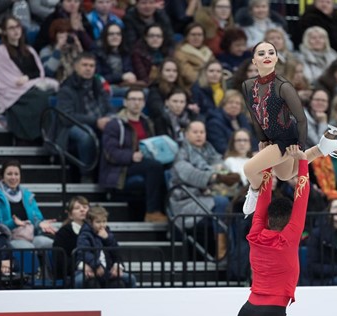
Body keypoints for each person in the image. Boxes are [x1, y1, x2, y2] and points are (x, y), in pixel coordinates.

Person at [240, 41, 337, 215]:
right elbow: (254, 115)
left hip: (287, 136)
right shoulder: (248, 86)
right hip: (272, 137)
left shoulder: (283, 86)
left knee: (249, 169)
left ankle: (254, 192)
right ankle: (323, 146)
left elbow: (301, 119)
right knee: (285, 175)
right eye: (261, 53)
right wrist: (263, 140)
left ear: (276, 58)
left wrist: (300, 147)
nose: (266, 56)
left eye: (271, 52)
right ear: (254, 61)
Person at [236, 145, 308, 316]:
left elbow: (263, 199)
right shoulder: (288, 238)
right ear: (290, 221)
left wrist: (267, 163)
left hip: (246, 314)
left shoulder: (255, 235)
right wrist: (302, 160)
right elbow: (302, 199)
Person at [168, 121, 239, 259]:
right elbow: (190, 174)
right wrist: (214, 178)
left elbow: (222, 168)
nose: (199, 135)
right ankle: (222, 248)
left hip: (207, 197)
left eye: (202, 132)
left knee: (236, 202)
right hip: (186, 200)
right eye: (195, 132)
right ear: (186, 134)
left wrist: (225, 176)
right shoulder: (181, 154)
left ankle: (235, 250)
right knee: (221, 202)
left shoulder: (210, 151)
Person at [99, 88, 168, 222]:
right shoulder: (115, 124)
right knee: (154, 167)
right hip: (120, 168)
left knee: (165, 167)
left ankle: (165, 211)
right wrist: (131, 156)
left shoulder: (147, 122)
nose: (136, 103)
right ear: (125, 102)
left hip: (143, 162)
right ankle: (152, 212)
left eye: (140, 100)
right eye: (133, 99)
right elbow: (110, 153)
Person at [0, 16, 58, 144]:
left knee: (52, 93)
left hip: (31, 84)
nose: (15, 31)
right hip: (14, 91)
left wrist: (28, 79)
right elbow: (4, 77)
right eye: (11, 28)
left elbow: (38, 72)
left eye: (17, 27)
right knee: (42, 98)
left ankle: (50, 135)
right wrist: (23, 81)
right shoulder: (1, 51)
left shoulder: (29, 50)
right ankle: (38, 135)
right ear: (5, 32)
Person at [56, 52, 114, 182]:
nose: (88, 68)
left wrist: (109, 117)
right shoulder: (67, 88)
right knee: (86, 134)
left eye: (92, 66)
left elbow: (109, 107)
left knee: (116, 129)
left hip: (100, 123)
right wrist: (96, 121)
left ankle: (110, 177)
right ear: (76, 67)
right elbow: (66, 117)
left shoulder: (98, 85)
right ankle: (86, 175)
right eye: (85, 65)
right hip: (70, 127)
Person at [0, 160, 57, 249]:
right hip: (7, 239)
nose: (13, 177)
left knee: (50, 243)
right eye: (9, 174)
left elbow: (37, 217)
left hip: (29, 236)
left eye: (16, 174)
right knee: (27, 247)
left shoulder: (27, 195)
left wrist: (39, 224)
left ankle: (47, 264)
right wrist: (14, 223)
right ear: (2, 177)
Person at [293, 0, 337, 76]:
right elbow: (330, 42)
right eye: (321, 2)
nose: (324, 5)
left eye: (328, 2)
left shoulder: (335, 18)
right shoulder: (310, 18)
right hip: (316, 57)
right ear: (315, 3)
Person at [75, 205, 137, 288]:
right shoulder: (85, 234)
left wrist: (117, 265)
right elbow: (84, 252)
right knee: (79, 280)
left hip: (108, 271)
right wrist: (96, 265)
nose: (102, 225)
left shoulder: (108, 233)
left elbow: (116, 251)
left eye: (104, 221)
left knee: (131, 279)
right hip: (90, 269)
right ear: (90, 222)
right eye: (98, 222)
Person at [95, 23, 140, 95]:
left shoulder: (125, 52)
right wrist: (121, 77)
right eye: (111, 34)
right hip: (106, 87)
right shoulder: (97, 53)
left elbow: (129, 71)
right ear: (105, 36)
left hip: (124, 85)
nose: (115, 37)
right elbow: (98, 78)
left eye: (118, 34)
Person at [53, 195, 89, 284]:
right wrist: (81, 266)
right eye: (77, 208)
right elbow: (60, 259)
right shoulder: (63, 233)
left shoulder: (98, 230)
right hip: (73, 272)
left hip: (98, 269)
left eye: (85, 207)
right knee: (85, 280)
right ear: (70, 215)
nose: (82, 210)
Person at [205, 89, 254, 155]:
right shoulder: (214, 123)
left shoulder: (243, 120)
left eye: (238, 103)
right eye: (230, 102)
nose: (234, 105)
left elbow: (252, 141)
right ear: (223, 104)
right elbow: (221, 147)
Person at [40, 19, 84, 83]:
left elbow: (85, 67)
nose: (65, 36)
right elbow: (48, 72)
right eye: (62, 33)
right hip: (59, 85)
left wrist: (79, 47)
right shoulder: (46, 50)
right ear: (55, 35)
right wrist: (58, 48)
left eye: (68, 32)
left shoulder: (73, 48)